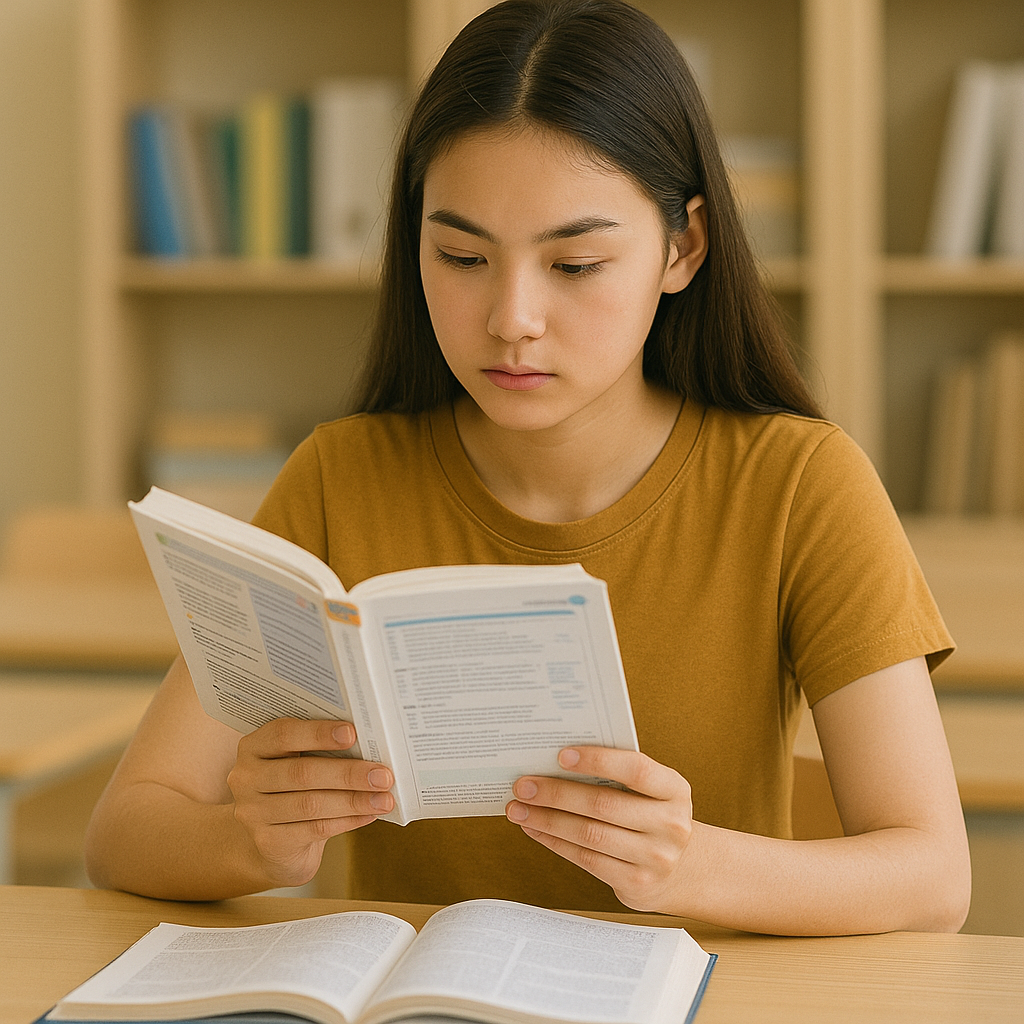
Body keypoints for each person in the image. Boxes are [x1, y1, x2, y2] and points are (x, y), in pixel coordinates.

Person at [85, 0, 971, 935]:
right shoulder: (340, 478)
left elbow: (932, 876)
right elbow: (125, 832)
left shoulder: (799, 484)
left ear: (684, 247)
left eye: (576, 263)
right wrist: (254, 844)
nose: (512, 317)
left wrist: (688, 863)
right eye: (461, 255)